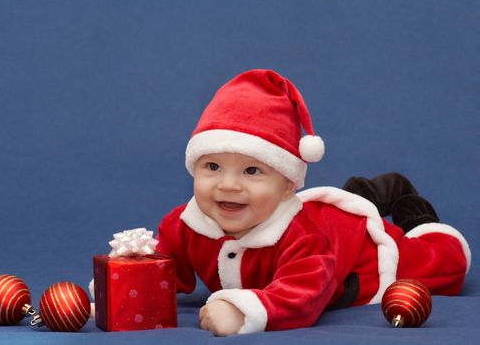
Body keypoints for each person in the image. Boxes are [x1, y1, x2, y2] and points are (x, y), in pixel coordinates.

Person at [154, 69, 471, 336]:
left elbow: (305, 292)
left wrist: (243, 314)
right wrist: (121, 291)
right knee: (346, 204)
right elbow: (162, 269)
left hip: (359, 251)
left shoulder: (302, 238)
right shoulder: (183, 224)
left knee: (445, 262)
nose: (228, 184)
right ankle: (372, 191)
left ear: (288, 186)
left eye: (252, 170)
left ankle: (412, 211)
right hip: (325, 218)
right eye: (212, 167)